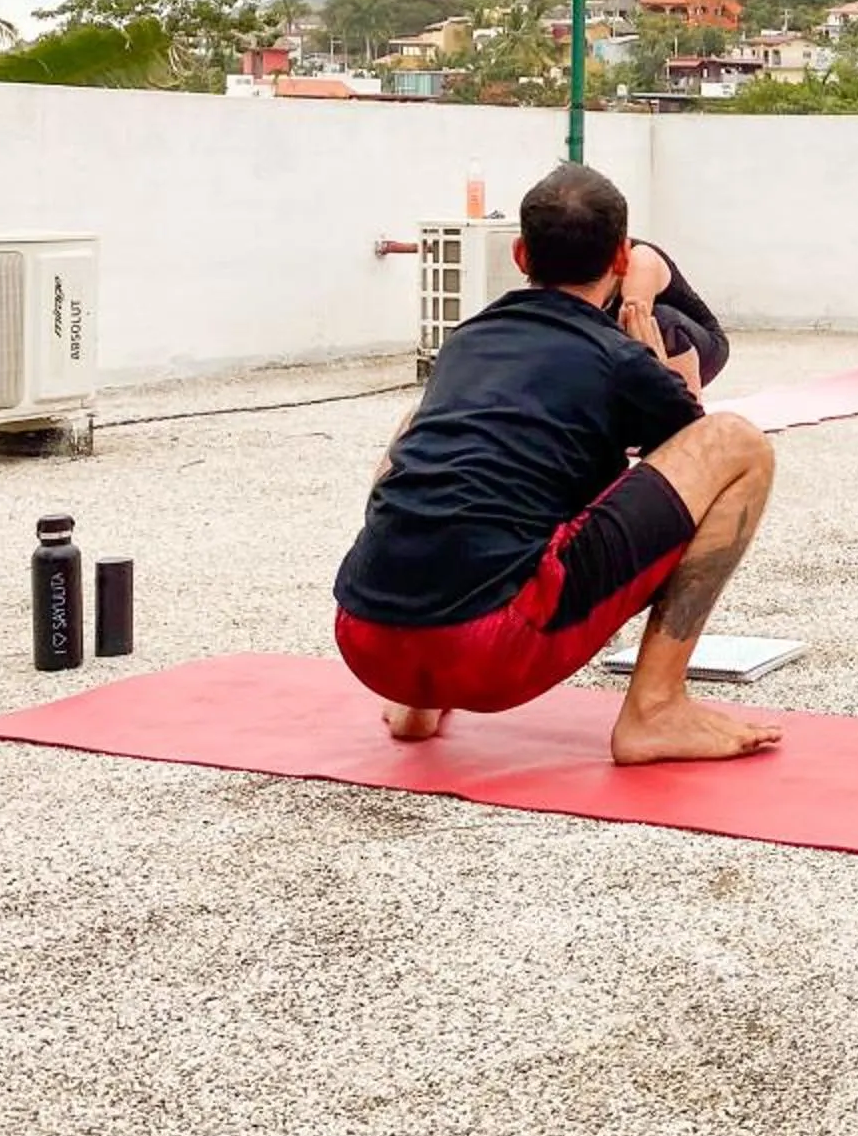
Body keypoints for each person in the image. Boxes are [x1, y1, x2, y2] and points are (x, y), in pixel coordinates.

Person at [332, 163, 782, 763]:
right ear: (621, 258)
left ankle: (417, 701)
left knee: (420, 426)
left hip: (366, 637)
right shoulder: (622, 359)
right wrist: (659, 374)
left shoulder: (466, 340)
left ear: (520, 254)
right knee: (738, 444)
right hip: (490, 649)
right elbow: (689, 473)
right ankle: (656, 708)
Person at [613, 238, 729, 389]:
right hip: (637, 343)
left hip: (699, 344)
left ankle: (686, 399)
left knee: (656, 319)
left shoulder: (641, 260)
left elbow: (633, 335)